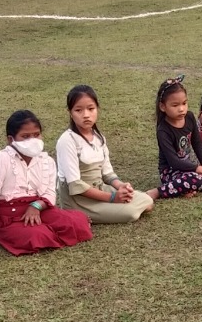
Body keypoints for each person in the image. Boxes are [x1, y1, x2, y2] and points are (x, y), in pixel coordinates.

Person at [0, 110, 94, 255]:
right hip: (9, 217)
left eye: (36, 134)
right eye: (25, 136)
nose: (32, 140)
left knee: (76, 223)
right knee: (37, 236)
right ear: (11, 139)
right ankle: (38, 231)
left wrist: (36, 206)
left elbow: (49, 192)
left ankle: (48, 227)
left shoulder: (46, 161)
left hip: (40, 209)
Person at [54, 85, 156, 224]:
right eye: (78, 110)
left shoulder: (99, 137)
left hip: (100, 189)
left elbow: (107, 174)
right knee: (131, 213)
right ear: (70, 112)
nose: (86, 115)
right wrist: (112, 198)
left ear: (97, 109)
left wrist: (121, 186)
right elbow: (76, 185)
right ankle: (83, 213)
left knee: (147, 200)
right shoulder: (67, 141)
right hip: (79, 200)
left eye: (91, 109)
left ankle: (115, 206)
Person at [155, 76, 202, 198]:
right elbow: (174, 162)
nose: (181, 109)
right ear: (163, 106)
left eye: (184, 103)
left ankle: (186, 187)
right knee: (196, 178)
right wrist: (199, 169)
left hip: (189, 169)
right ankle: (157, 192)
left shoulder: (189, 117)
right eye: (175, 105)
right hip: (171, 171)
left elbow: (197, 143)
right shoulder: (163, 130)